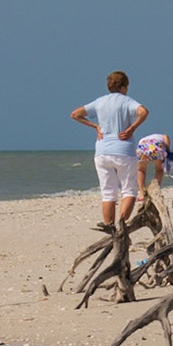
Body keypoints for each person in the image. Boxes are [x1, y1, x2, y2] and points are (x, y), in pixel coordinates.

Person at [71, 71, 148, 229]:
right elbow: (143, 112)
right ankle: (121, 226)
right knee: (129, 190)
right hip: (123, 151)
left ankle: (109, 228)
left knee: (108, 193)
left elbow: (75, 114)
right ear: (124, 87)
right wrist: (132, 128)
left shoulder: (100, 102)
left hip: (102, 151)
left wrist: (95, 126)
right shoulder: (126, 101)